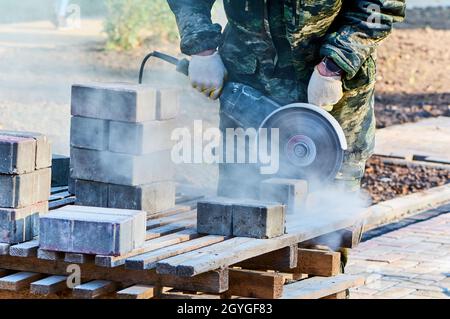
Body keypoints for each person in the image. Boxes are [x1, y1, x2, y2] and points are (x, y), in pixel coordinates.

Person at [168, 0, 406, 197]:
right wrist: (201, 48)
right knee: (241, 210)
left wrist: (336, 64)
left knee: (325, 229)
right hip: (250, 87)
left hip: (329, 95)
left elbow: (380, 7)